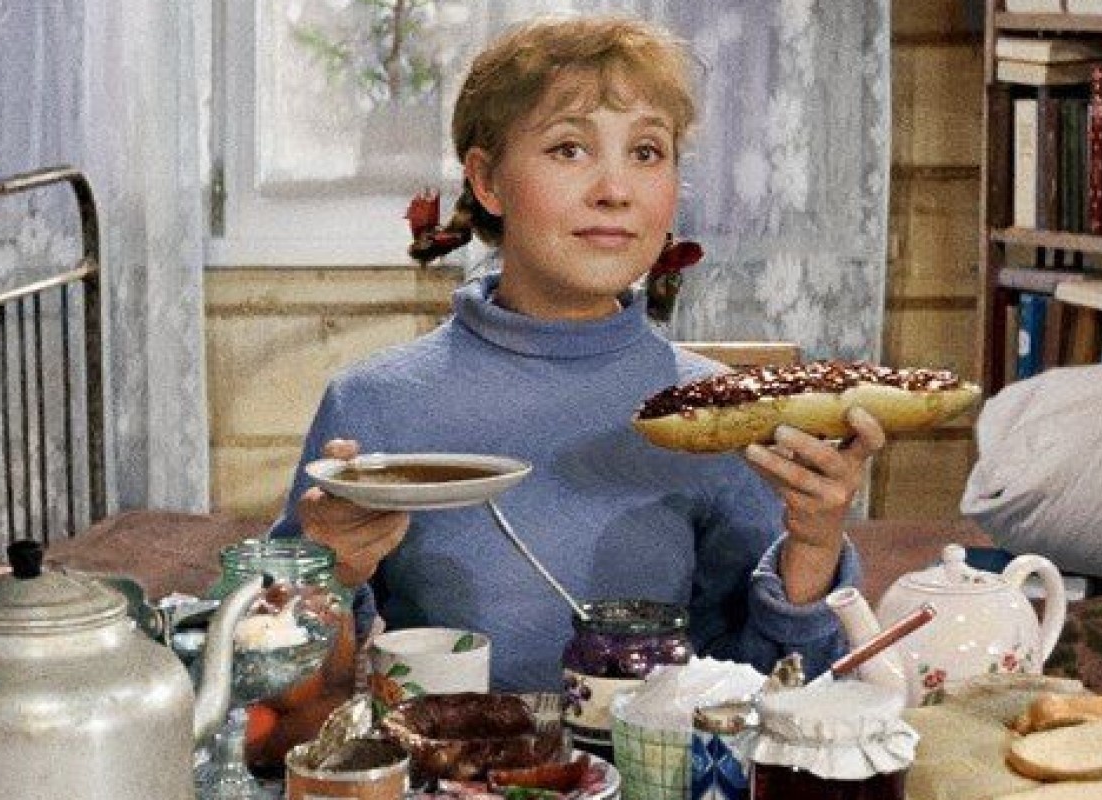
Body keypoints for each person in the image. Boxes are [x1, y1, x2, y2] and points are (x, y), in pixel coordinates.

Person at [269, 14, 885, 693]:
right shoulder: (373, 403)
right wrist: (326, 572)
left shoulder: (721, 416)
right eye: (569, 149)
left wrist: (815, 544)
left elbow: (769, 695)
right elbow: (281, 695)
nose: (615, 191)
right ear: (488, 181)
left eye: (646, 152)